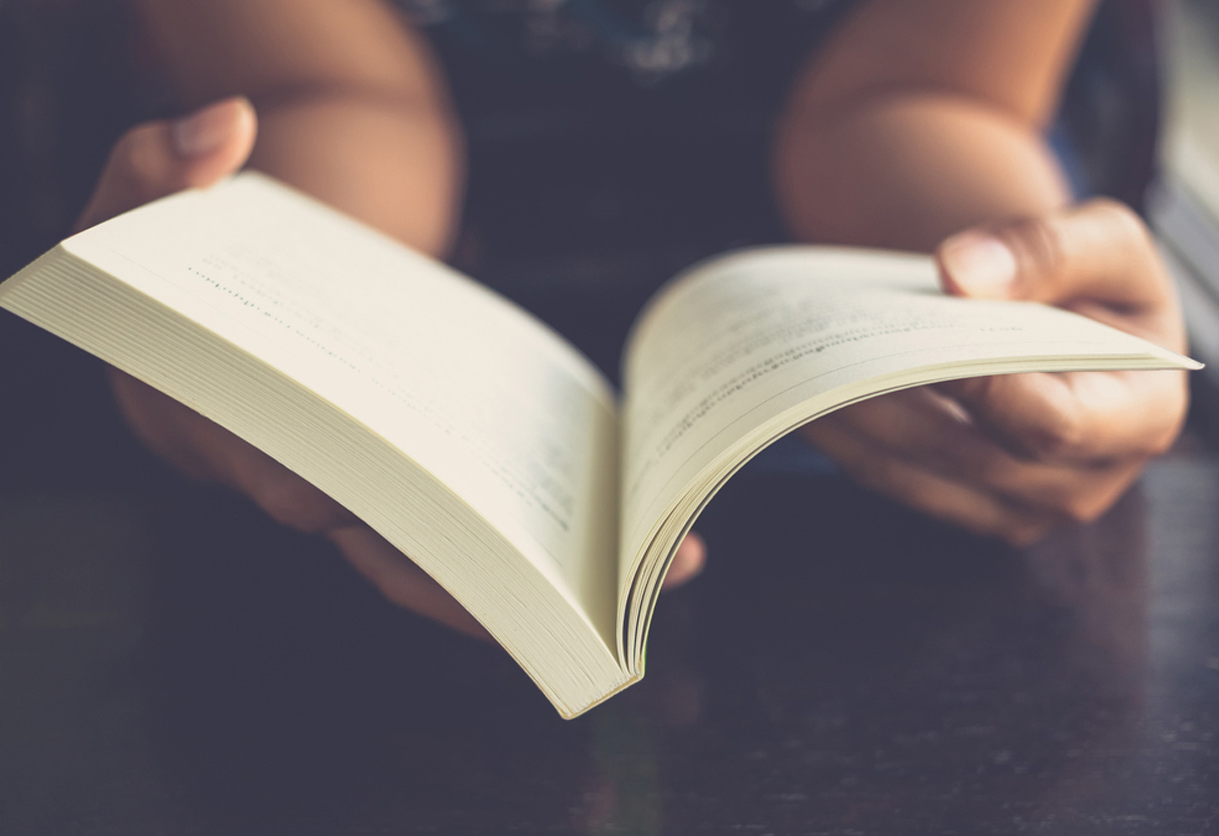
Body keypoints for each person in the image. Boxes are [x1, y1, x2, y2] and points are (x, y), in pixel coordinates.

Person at [76, 0, 1188, 638]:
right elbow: (332, 95)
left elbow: (929, 95)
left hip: (851, 446)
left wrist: (1023, 314)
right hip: (427, 401)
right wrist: (272, 321)